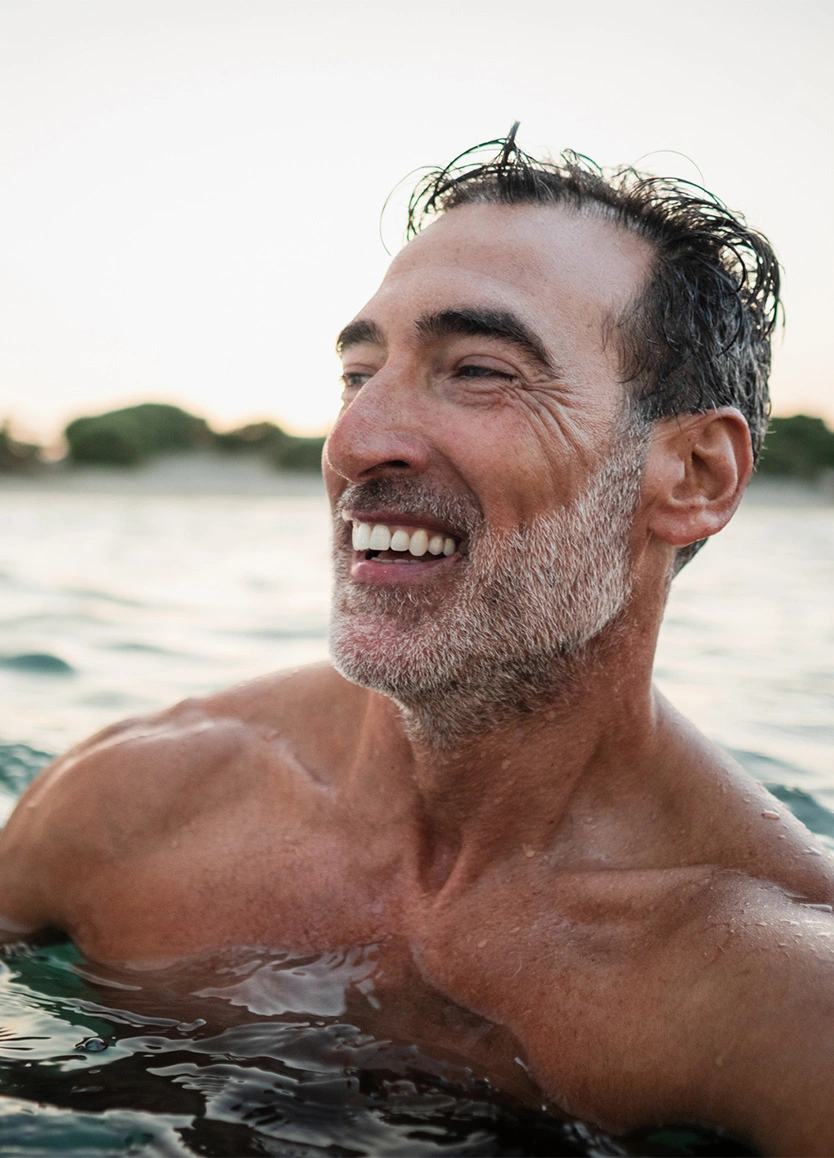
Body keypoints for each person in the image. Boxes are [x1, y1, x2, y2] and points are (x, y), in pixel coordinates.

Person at [1, 128, 832, 1155]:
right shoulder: (134, 803)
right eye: (359, 374)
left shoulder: (778, 1001)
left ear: (696, 475)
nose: (355, 444)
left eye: (478, 370)